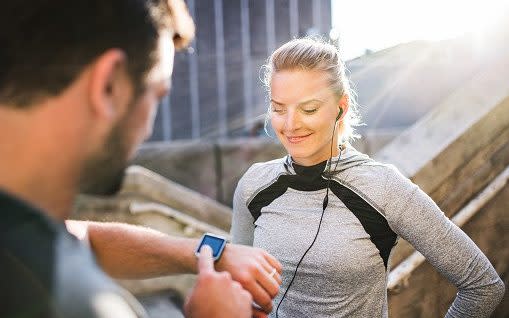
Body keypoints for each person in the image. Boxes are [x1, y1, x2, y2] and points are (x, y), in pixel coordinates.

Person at [0, 1, 281, 317]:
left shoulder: (23, 226)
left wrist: (213, 253)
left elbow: (81, 236)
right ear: (108, 86)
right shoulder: (73, 300)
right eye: (156, 94)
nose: (147, 130)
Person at [231, 38, 505, 318]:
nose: (290, 125)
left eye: (309, 109)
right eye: (278, 108)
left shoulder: (384, 187)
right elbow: (236, 287)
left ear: (341, 107)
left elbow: (482, 285)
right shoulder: (254, 184)